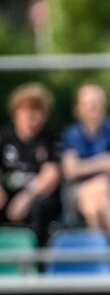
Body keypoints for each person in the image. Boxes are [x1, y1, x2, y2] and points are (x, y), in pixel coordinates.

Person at [60, 83, 110, 249]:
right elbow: (71, 170)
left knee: (96, 196)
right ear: (78, 108)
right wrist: (105, 161)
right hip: (78, 195)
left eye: (96, 102)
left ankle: (99, 251)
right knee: (101, 185)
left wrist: (86, 166)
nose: (93, 107)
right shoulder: (72, 134)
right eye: (88, 104)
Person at [0, 83, 62, 246]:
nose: (32, 116)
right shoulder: (4, 137)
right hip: (8, 196)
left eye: (38, 111)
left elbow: (52, 175)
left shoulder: (50, 137)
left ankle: (37, 262)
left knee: (40, 208)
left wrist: (27, 197)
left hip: (37, 197)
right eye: (28, 110)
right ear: (16, 113)